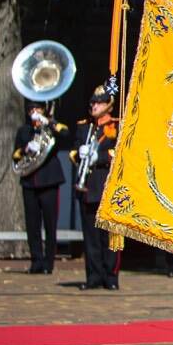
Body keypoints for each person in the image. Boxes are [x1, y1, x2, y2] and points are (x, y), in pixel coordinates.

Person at [71, 85, 120, 290]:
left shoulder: (117, 126)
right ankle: (93, 276)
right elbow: (73, 153)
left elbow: (119, 153)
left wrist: (98, 156)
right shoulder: (84, 127)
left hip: (107, 187)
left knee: (109, 237)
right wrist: (79, 154)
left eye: (97, 102)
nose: (93, 105)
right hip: (88, 188)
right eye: (92, 102)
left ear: (108, 105)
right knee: (90, 237)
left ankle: (111, 277)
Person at [14, 101, 69, 274]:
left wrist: (49, 122)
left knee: (50, 224)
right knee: (32, 224)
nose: (34, 112)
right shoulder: (24, 131)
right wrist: (25, 149)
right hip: (30, 182)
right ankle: (36, 261)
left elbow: (66, 133)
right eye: (31, 110)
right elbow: (15, 155)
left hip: (49, 180)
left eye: (37, 109)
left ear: (43, 110)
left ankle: (48, 262)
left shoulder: (52, 127)